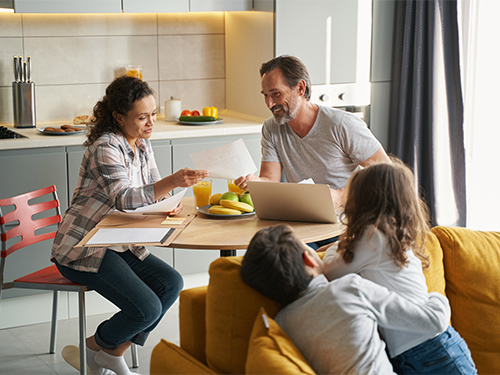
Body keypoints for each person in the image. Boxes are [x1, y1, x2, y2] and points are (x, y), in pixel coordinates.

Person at [51, 76, 208, 375]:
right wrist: (171, 182)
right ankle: (94, 347)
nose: (151, 123)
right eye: (142, 117)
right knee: (146, 308)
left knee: (171, 283)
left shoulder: (141, 143)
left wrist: (170, 199)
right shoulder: (105, 147)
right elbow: (124, 197)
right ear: (119, 117)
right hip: (85, 246)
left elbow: (151, 188)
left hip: (120, 239)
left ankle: (111, 352)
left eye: (153, 114)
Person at [322, 159, 477, 373]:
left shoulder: (373, 239)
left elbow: (330, 271)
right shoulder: (394, 237)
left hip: (428, 351)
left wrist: (337, 244)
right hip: (427, 349)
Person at [240, 224, 453, 375]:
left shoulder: (282, 323)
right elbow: (433, 319)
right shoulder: (349, 288)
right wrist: (435, 295)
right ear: (309, 258)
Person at [235, 55, 391, 209]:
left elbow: (386, 174)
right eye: (266, 96)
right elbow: (270, 180)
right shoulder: (271, 128)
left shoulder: (341, 124)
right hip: (304, 213)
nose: (269, 104)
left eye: (276, 94)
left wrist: (341, 196)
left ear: (301, 88)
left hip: (348, 216)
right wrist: (256, 183)